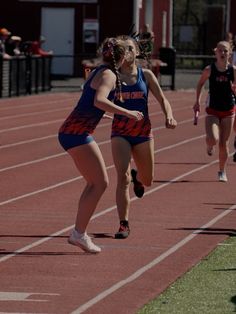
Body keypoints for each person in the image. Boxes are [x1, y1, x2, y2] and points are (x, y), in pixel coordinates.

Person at [58, 37, 144, 253]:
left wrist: (102, 115)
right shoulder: (108, 74)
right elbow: (99, 100)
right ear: (123, 57)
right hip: (76, 133)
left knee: (94, 183)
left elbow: (89, 102)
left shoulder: (99, 71)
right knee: (100, 183)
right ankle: (78, 234)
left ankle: (79, 233)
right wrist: (127, 112)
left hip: (74, 132)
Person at [111, 35, 177, 239]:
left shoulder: (146, 75)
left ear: (137, 52)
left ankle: (138, 178)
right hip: (120, 133)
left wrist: (169, 115)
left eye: (131, 48)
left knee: (148, 180)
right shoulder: (112, 76)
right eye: (124, 49)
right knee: (122, 178)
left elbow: (162, 99)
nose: (128, 52)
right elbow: (97, 97)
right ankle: (124, 224)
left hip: (142, 134)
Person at [193, 40, 236, 182]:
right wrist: (197, 101)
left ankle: (222, 171)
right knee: (213, 139)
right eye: (220, 50)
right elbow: (200, 84)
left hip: (229, 109)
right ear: (215, 52)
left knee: (224, 143)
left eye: (225, 51)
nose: (222, 53)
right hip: (213, 109)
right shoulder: (209, 69)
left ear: (229, 53)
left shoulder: (233, 70)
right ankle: (209, 145)